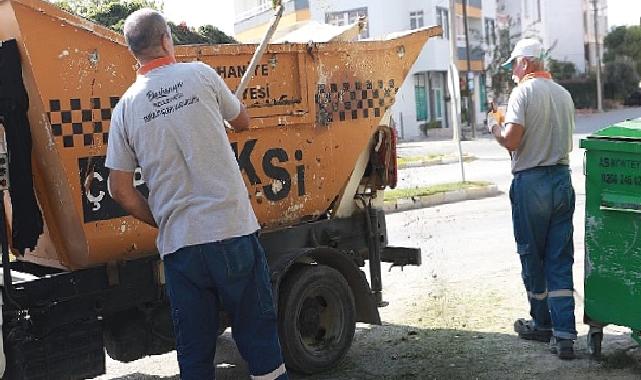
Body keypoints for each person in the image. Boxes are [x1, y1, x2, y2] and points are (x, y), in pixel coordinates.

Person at [105, 8, 288, 379]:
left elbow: (119, 190)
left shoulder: (126, 107)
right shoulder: (200, 75)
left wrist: (163, 219)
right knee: (259, 340)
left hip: (181, 246)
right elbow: (242, 120)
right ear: (166, 40)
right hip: (232, 231)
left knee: (195, 354)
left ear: (132, 53)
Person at [487, 38, 577, 360]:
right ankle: (565, 334)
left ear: (525, 63)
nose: (512, 71)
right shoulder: (564, 95)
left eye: (513, 65)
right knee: (559, 256)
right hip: (562, 180)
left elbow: (513, 139)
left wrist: (495, 129)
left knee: (532, 254)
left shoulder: (522, 92)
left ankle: (542, 324)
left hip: (532, 183)